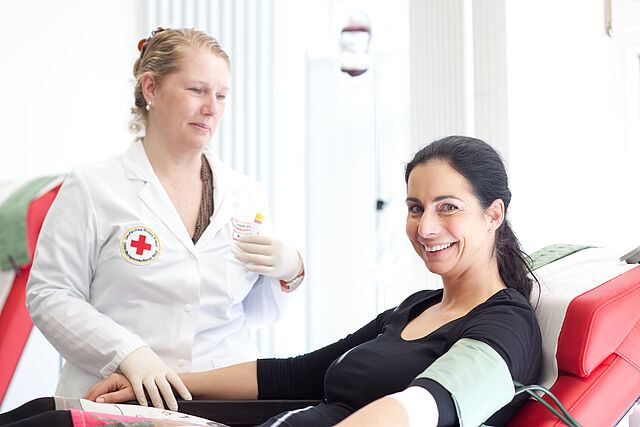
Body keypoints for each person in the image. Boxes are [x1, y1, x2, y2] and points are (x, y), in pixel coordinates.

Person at [7, 136, 541, 427]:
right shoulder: (416, 307)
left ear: (493, 214)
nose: (424, 228)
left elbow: (427, 406)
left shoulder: (506, 323)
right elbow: (295, 373)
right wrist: (165, 380)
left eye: (448, 208)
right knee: (47, 416)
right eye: (416, 207)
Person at [24, 28, 305, 412]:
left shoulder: (245, 195)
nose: (212, 108)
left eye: (221, 95)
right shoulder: (93, 186)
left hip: (219, 399)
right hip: (114, 397)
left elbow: (257, 312)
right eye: (197, 90)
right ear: (151, 89)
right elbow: (50, 295)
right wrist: (128, 353)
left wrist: (291, 272)